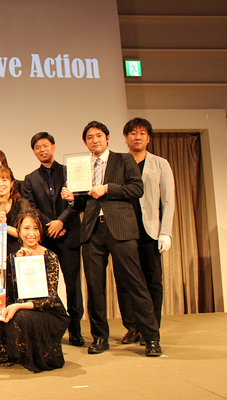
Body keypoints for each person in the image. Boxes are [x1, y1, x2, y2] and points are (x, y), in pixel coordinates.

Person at [61, 120, 162, 357]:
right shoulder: (82, 166)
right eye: (89, 137)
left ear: (107, 138)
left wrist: (108, 188)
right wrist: (73, 199)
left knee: (135, 282)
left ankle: (151, 338)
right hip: (92, 231)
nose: (94, 140)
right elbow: (85, 202)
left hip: (121, 229)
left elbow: (137, 189)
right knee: (95, 287)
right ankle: (99, 337)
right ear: (85, 142)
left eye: (98, 136)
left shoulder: (124, 159)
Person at [0, 209, 70, 372]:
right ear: (18, 231)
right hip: (22, 305)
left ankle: (36, 355)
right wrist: (19, 264)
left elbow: (49, 299)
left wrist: (17, 306)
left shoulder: (50, 256)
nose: (31, 233)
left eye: (36, 228)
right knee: (2, 311)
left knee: (20, 315)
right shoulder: (14, 257)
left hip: (48, 311)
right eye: (26, 228)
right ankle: (13, 353)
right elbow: (11, 294)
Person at [22, 132, 84, 346]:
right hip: (45, 239)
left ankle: (75, 329)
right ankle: (48, 330)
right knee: (45, 287)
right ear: (34, 151)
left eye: (45, 145)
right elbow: (31, 208)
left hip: (69, 235)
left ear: (54, 147)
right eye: (37, 147)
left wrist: (62, 222)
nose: (42, 150)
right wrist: (51, 224)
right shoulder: (30, 178)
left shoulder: (69, 171)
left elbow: (78, 201)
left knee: (73, 284)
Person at [118, 118, 175, 345]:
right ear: (126, 137)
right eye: (133, 133)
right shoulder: (119, 163)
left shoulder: (160, 164)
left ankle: (152, 328)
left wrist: (166, 232)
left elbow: (168, 200)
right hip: (124, 231)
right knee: (125, 282)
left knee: (153, 280)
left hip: (150, 231)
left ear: (149, 137)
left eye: (142, 133)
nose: (137, 137)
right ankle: (132, 327)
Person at [0, 166, 31, 257]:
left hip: (18, 253)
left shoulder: (21, 204)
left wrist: (4, 226)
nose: (0, 184)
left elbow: (26, 234)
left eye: (4, 180)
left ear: (12, 183)